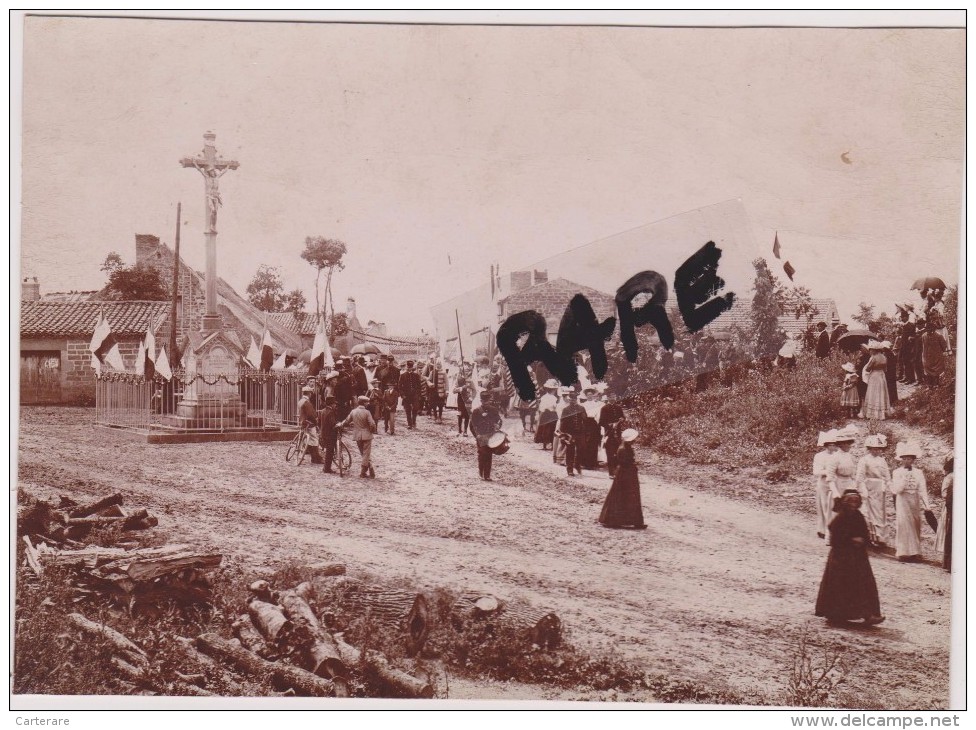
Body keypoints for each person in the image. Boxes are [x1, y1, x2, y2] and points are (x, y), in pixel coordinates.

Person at [814, 490, 885, 626]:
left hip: (858, 558)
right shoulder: (840, 518)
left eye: (856, 502)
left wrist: (863, 540)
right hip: (841, 559)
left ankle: (868, 615)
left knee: (864, 585)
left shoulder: (859, 516)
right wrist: (851, 540)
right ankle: (836, 615)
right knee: (841, 585)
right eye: (851, 501)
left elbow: (865, 534)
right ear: (845, 503)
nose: (853, 504)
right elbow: (835, 539)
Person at [890, 442, 933, 562]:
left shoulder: (918, 472)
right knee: (904, 524)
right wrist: (903, 480)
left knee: (915, 524)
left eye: (910, 458)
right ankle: (903, 552)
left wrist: (927, 505)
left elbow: (922, 488)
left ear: (913, 459)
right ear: (901, 459)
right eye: (905, 458)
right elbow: (896, 489)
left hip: (914, 499)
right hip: (902, 499)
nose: (907, 461)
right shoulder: (897, 472)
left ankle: (915, 552)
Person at [598, 428, 646, 529]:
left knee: (630, 496)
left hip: (628, 474)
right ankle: (615, 520)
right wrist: (633, 463)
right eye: (633, 439)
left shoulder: (626, 447)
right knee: (622, 496)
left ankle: (632, 520)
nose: (634, 441)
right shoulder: (623, 449)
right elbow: (624, 462)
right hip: (624, 475)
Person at [855, 434, 892, 546]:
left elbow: (887, 475)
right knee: (870, 512)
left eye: (878, 449)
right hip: (869, 487)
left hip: (880, 489)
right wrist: (862, 489)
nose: (876, 451)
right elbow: (860, 477)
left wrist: (889, 484)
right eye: (874, 449)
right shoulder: (864, 460)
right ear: (869, 449)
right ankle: (870, 537)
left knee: (880, 512)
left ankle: (880, 538)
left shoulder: (882, 460)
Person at [338, 396, 377, 478]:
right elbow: (372, 424)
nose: (368, 403)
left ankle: (368, 469)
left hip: (357, 435)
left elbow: (347, 421)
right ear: (363, 403)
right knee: (366, 453)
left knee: (363, 453)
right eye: (367, 402)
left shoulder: (353, 411)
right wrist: (372, 430)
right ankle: (365, 471)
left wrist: (340, 425)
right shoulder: (367, 412)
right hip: (367, 435)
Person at [470, 392, 502, 481]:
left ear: (490, 401)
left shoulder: (494, 410)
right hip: (481, 436)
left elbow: (499, 421)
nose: (486, 403)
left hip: (491, 434)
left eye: (487, 401)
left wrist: (498, 425)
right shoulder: (476, 411)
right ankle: (481, 472)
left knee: (489, 454)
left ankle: (487, 475)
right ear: (481, 401)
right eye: (484, 401)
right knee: (481, 454)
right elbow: (472, 425)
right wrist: (477, 435)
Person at [813, 430, 839, 539]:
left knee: (833, 506)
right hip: (823, 483)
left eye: (834, 444)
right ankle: (823, 529)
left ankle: (834, 529)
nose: (833, 447)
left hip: (834, 482)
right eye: (831, 445)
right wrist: (828, 472)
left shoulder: (837, 455)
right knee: (824, 506)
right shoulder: (819, 456)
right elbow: (816, 471)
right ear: (826, 445)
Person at [859, 342, 890, 420]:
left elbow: (868, 369)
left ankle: (873, 413)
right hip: (882, 375)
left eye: (871, 350)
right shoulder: (884, 357)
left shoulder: (874, 358)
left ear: (875, 350)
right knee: (881, 392)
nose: (870, 351)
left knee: (874, 392)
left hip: (874, 375)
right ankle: (882, 413)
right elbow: (885, 369)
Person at [559, 390, 586, 477]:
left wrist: (585, 431)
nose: (573, 400)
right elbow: (562, 422)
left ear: (576, 399)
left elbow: (585, 420)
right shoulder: (566, 409)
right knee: (570, 450)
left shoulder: (581, 408)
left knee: (581, 449)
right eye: (571, 399)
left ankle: (577, 465)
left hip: (580, 432)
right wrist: (563, 434)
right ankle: (569, 469)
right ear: (569, 399)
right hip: (570, 433)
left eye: (574, 399)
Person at [599, 395, 626, 477]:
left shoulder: (618, 408)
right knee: (610, 453)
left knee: (618, 452)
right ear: (608, 398)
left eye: (614, 397)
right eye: (611, 397)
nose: (612, 399)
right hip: (609, 434)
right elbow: (601, 422)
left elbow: (623, 417)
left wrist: (622, 419)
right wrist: (609, 425)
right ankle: (611, 472)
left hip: (618, 434)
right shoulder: (604, 408)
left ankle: (617, 471)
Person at [935, 456, 953, 572]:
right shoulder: (950, 477)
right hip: (950, 506)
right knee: (948, 531)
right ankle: (946, 561)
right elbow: (944, 492)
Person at [297, 386, 323, 464]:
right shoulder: (307, 402)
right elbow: (311, 414)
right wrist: (316, 421)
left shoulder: (300, 401)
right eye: (311, 393)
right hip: (309, 423)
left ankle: (313, 457)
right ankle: (316, 458)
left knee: (308, 440)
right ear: (309, 393)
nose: (311, 394)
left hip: (303, 422)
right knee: (314, 440)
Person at [920, 322, 949, 387]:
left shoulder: (939, 336)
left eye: (929, 329)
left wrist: (941, 352)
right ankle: (930, 385)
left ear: (933, 329)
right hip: (927, 356)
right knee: (928, 370)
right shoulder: (924, 336)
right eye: (926, 329)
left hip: (936, 357)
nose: (927, 331)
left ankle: (937, 384)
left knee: (937, 370)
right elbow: (922, 345)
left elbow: (944, 346)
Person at [317, 395, 339, 473]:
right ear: (332, 404)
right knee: (330, 452)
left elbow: (319, 422)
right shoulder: (331, 412)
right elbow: (333, 424)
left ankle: (326, 468)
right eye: (334, 404)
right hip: (330, 435)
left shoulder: (322, 411)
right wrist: (339, 425)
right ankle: (327, 468)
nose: (335, 405)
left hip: (323, 433)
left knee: (328, 451)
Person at [534, 380, 559, 450]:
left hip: (546, 414)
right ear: (553, 390)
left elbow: (541, 407)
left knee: (546, 429)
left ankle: (545, 444)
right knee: (549, 429)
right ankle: (549, 444)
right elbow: (554, 406)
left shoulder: (544, 397)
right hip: (550, 414)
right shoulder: (554, 398)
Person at [398, 360, 423, 430]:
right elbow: (399, 386)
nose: (409, 368)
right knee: (408, 410)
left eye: (411, 367)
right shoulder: (402, 376)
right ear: (406, 367)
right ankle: (409, 424)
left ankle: (414, 421)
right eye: (408, 366)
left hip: (414, 395)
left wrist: (418, 394)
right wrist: (402, 395)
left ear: (412, 367)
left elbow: (419, 386)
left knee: (415, 408)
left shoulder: (416, 375)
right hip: (406, 395)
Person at [881, 341, 899, 406]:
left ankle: (891, 400)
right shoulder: (891, 354)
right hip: (892, 372)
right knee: (893, 386)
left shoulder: (885, 355)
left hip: (888, 373)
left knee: (889, 386)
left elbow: (885, 365)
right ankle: (894, 399)